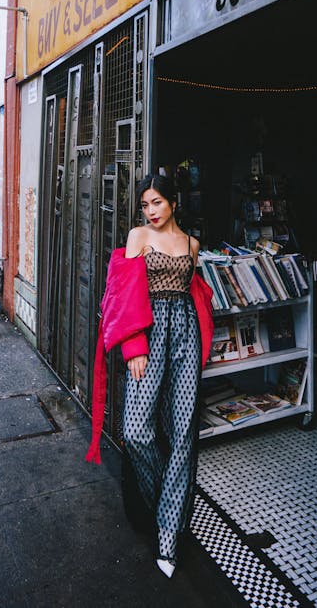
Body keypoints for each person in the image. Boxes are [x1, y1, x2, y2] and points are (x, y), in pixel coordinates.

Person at [86, 174, 214, 579]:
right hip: (149, 332)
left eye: (157, 202)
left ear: (173, 203)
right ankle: (164, 501)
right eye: (145, 204)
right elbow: (122, 294)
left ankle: (168, 531)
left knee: (182, 433)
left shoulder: (193, 245)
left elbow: (194, 294)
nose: (151, 211)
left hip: (185, 335)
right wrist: (133, 345)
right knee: (137, 428)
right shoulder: (137, 237)